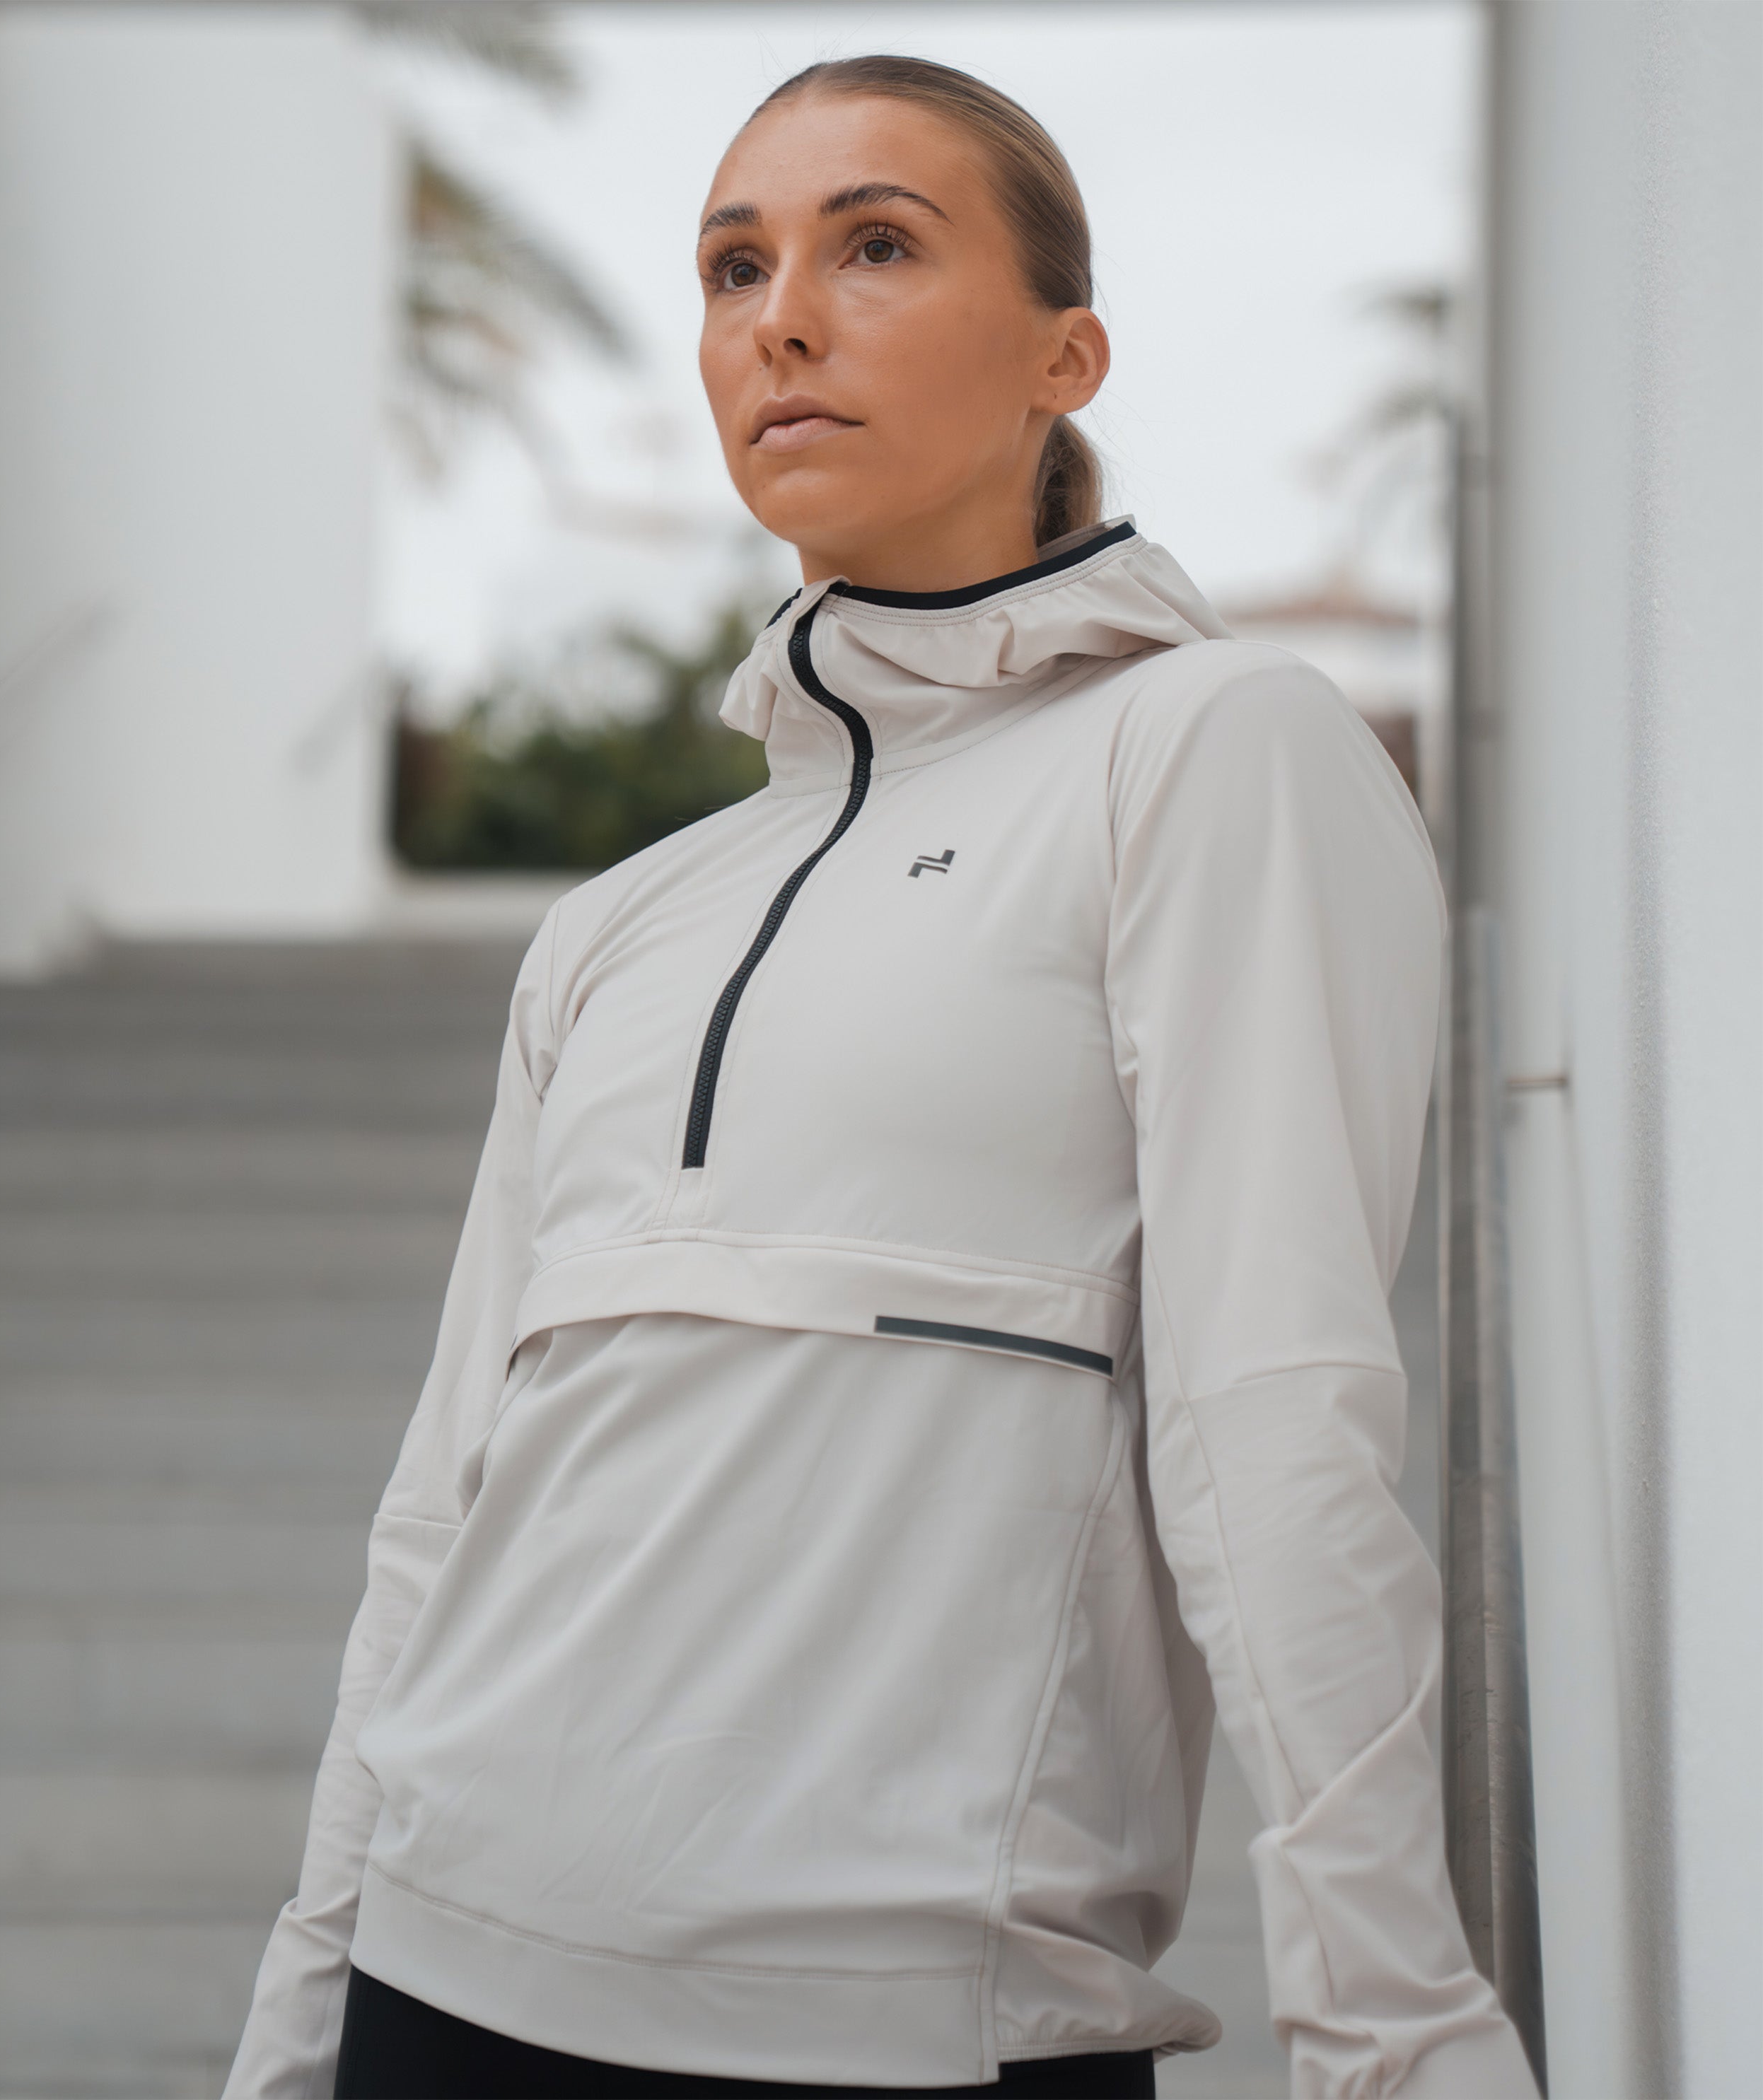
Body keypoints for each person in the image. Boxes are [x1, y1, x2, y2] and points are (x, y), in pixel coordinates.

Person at [226, 56, 1539, 2100]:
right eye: (733, 267)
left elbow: (1272, 1416)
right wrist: (295, 2031)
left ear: (1063, 354)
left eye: (876, 247)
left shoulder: (1209, 749)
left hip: (910, 2032)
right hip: (438, 1979)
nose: (782, 320)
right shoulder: (619, 922)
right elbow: (440, 1512)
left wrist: (1393, 2029)